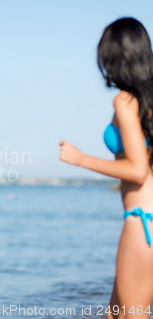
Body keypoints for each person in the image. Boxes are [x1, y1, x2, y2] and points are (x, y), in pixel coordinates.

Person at [60, 17, 153, 319]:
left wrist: (80, 159)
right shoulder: (148, 101)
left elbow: (138, 169)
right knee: (113, 315)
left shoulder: (125, 102)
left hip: (141, 222)